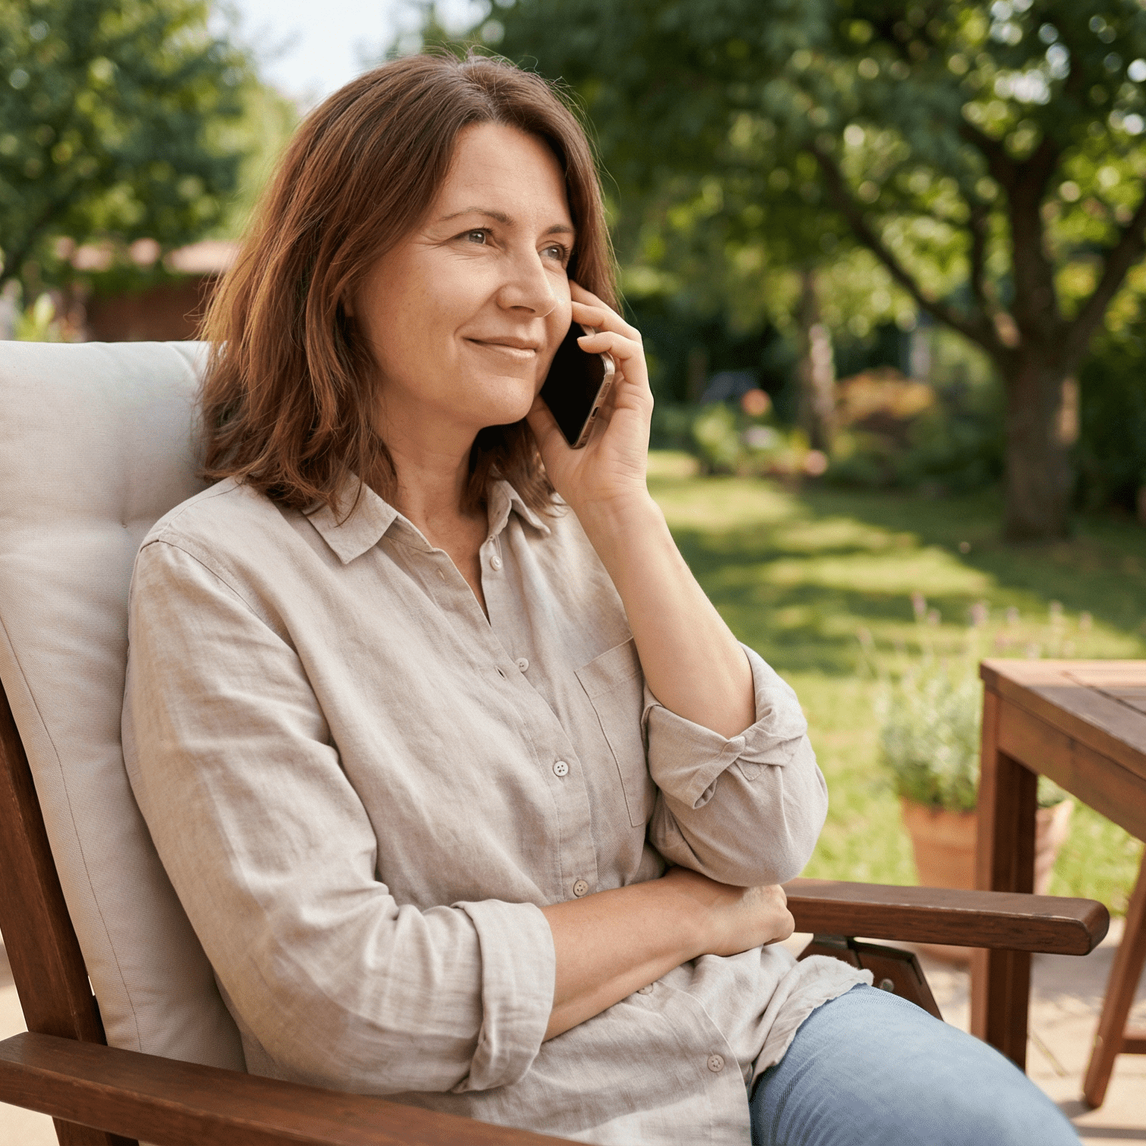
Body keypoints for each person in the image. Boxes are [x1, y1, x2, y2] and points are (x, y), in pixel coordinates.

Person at [122, 51, 1080, 1146]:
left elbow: (766, 837)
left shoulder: (573, 530)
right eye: (477, 236)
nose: (535, 293)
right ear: (338, 265)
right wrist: (683, 913)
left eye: (556, 249)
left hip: (757, 1031)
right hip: (515, 1112)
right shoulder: (219, 577)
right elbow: (342, 1004)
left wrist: (624, 509)